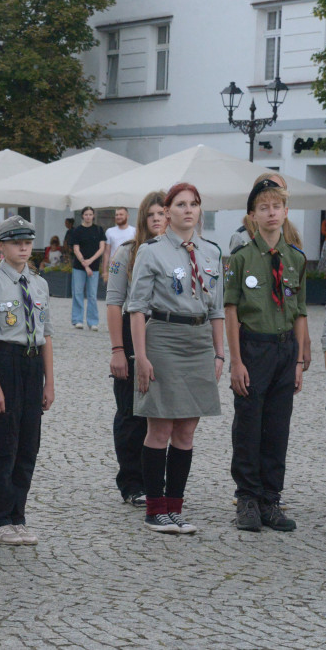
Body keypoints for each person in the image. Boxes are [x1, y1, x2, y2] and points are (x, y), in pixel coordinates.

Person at [129, 184, 224, 534]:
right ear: (167, 212)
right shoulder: (151, 252)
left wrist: (219, 353)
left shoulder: (211, 252)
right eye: (181, 204)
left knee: (187, 428)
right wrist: (141, 356)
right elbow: (136, 308)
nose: (189, 210)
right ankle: (155, 508)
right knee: (161, 425)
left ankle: (175, 507)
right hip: (164, 338)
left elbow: (217, 310)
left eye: (194, 204)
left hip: (199, 341)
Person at [224, 178, 308, 533]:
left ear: (286, 212)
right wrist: (237, 361)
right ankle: (247, 498)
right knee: (249, 424)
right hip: (253, 347)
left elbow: (300, 310)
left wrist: (301, 359)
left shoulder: (296, 258)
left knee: (277, 426)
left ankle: (270, 499)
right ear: (252, 217)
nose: (271, 213)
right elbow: (230, 310)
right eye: (263, 208)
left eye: (277, 207)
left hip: (285, 349)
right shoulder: (241, 259)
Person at [0, 216, 55, 545]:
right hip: (5, 362)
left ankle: (18, 515)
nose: (23, 247)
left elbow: (47, 334)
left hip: (32, 364)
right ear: (1, 247)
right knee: (4, 446)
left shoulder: (40, 285)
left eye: (27, 242)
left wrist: (50, 382)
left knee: (27, 446)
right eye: (15, 242)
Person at [105, 191, 167, 507]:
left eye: (161, 213)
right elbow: (115, 304)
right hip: (132, 337)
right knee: (132, 413)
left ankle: (157, 479)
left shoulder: (179, 251)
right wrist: (118, 349)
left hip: (167, 338)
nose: (157, 219)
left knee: (163, 414)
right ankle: (132, 481)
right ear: (143, 219)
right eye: (151, 214)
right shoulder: (127, 253)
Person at [229, 174, 286, 254]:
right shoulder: (241, 236)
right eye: (264, 208)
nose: (272, 213)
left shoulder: (292, 233)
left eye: (281, 189)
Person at [70, 206, 106, 330]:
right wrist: (85, 263)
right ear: (82, 216)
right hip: (79, 267)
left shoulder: (99, 230)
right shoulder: (77, 230)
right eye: (86, 214)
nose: (88, 217)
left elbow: (102, 248)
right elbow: (76, 249)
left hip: (94, 266)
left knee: (92, 294)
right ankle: (77, 320)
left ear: (93, 216)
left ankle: (93, 321)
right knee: (78, 293)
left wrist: (91, 261)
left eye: (90, 214)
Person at [102, 206, 136, 282]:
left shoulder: (134, 231)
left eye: (121, 214)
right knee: (114, 289)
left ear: (127, 216)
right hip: (114, 264)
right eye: (116, 215)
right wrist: (104, 271)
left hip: (129, 265)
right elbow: (106, 252)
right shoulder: (109, 231)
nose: (118, 217)